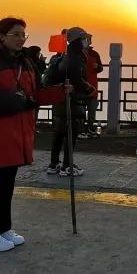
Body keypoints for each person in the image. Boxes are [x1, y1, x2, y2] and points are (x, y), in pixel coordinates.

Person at [0, 17, 67, 252]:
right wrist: (14, 101)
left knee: (6, 184)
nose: (21, 38)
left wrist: (61, 92)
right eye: (16, 34)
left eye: (24, 34)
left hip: (19, 130)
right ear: (1, 36)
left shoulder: (26, 62)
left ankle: (2, 228)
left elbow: (36, 94)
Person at [46, 27, 95, 176]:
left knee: (59, 134)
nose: (86, 41)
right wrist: (88, 88)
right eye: (84, 39)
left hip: (59, 100)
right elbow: (77, 79)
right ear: (78, 40)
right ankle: (67, 166)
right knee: (71, 134)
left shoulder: (63, 55)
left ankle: (54, 164)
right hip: (71, 102)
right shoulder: (75, 57)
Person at [82, 35, 103, 138]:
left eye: (89, 40)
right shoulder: (78, 54)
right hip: (80, 86)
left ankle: (90, 128)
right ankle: (80, 129)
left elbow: (101, 68)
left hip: (92, 86)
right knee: (80, 110)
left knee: (91, 110)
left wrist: (97, 67)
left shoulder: (95, 54)